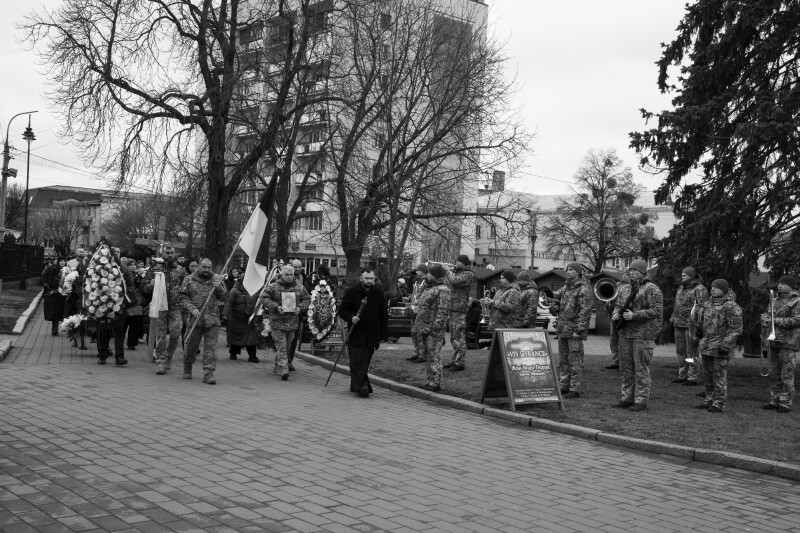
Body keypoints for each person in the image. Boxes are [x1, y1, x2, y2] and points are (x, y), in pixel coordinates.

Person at [612, 260, 664, 412]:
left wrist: (635, 315)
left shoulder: (652, 289)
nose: (632, 272)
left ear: (643, 272)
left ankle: (641, 400)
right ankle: (626, 397)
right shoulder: (625, 288)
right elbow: (618, 305)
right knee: (626, 368)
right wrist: (616, 313)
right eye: (631, 270)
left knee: (641, 369)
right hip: (625, 333)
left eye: (635, 270)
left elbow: (656, 311)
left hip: (642, 334)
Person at [338, 269, 389, 397]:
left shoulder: (378, 294)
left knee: (364, 361)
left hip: (371, 334)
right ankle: (363, 386)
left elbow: (383, 315)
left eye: (371, 278)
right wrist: (351, 318)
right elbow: (342, 310)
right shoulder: (351, 292)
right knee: (356, 361)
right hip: (356, 333)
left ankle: (361, 386)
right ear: (361, 278)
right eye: (367, 278)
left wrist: (383, 333)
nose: (369, 281)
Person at [695, 279, 742, 412]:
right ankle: (709, 399)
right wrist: (699, 331)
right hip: (706, 346)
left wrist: (726, 345)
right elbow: (702, 322)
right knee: (707, 375)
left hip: (721, 347)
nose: (713, 289)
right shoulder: (707, 304)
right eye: (712, 286)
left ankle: (718, 402)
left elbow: (735, 329)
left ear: (724, 289)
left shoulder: (731, 306)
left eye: (716, 287)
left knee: (719, 376)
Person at [179, 258, 228, 383]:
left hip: (212, 320)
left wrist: (219, 288)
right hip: (195, 319)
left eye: (209, 268)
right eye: (204, 267)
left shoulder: (216, 279)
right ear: (198, 267)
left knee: (210, 348)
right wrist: (192, 308)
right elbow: (182, 297)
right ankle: (187, 367)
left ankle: (208, 372)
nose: (207, 270)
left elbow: (225, 297)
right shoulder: (189, 279)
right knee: (191, 346)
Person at [551, 262, 593, 399]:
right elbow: (561, 306)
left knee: (575, 360)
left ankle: (574, 388)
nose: (567, 272)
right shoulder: (566, 288)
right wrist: (555, 308)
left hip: (574, 331)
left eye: (570, 270)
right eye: (567, 270)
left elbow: (585, 311)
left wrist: (579, 330)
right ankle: (564, 385)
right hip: (563, 329)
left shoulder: (584, 288)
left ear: (578, 272)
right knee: (563, 360)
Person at [262, 265, 310, 380]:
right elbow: (264, 298)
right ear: (281, 275)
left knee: (287, 346)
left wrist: (300, 307)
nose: (289, 277)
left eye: (291, 274)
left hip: (292, 323)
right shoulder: (273, 286)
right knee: (281, 345)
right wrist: (276, 306)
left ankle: (278, 365)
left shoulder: (300, 288)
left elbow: (307, 299)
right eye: (286, 274)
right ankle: (284, 369)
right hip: (277, 322)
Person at [762, 275, 800, 413]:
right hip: (774, 341)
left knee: (787, 374)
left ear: (791, 286)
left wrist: (775, 320)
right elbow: (768, 315)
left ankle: (785, 402)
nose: (780, 286)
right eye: (779, 283)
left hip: (788, 342)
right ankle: (775, 400)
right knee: (774, 373)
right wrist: (766, 319)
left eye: (784, 284)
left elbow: (797, 320)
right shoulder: (775, 300)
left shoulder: (797, 301)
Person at [410, 265, 450, 392]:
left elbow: (442, 310)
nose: (427, 275)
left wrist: (436, 326)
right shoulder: (430, 288)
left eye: (429, 273)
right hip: (425, 327)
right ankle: (430, 381)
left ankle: (435, 382)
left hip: (433, 329)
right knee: (428, 355)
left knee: (434, 355)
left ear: (434, 275)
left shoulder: (442, 289)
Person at [149, 246, 186, 373]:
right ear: (162, 253)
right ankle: (161, 361)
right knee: (160, 336)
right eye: (167, 252)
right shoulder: (155, 268)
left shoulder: (180, 270)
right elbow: (144, 286)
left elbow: (185, 287)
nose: (170, 255)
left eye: (172, 253)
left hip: (175, 307)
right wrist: (151, 285)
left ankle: (169, 355)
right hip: (160, 307)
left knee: (176, 333)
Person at [670, 266, 709, 385]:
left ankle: (693, 377)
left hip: (690, 325)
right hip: (678, 323)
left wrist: (698, 325)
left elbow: (702, 307)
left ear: (691, 276)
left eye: (684, 275)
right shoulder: (681, 288)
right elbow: (678, 304)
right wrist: (673, 316)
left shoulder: (699, 289)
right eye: (681, 275)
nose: (682, 277)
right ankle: (682, 374)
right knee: (680, 351)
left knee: (691, 351)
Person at [96, 247, 136, 366]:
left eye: (118, 252)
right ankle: (102, 355)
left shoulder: (123, 268)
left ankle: (119, 357)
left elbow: (130, 283)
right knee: (103, 331)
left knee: (119, 331)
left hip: (119, 304)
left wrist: (126, 298)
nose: (115, 254)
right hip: (103, 304)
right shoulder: (101, 267)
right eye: (113, 253)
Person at [443, 256, 475, 372]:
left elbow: (455, 281)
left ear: (465, 264)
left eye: (459, 262)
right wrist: (449, 271)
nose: (456, 263)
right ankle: (454, 360)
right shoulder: (456, 273)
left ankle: (460, 362)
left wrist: (447, 270)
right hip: (452, 307)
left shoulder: (468, 274)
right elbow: (448, 283)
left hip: (459, 308)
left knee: (459, 336)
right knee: (453, 336)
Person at [222, 277, 261, 363]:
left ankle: (252, 356)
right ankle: (233, 353)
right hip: (236, 319)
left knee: (251, 338)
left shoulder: (255, 290)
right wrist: (225, 315)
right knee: (236, 338)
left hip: (250, 320)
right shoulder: (234, 290)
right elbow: (229, 302)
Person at [286, 259, 312, 369]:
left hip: (297, 315)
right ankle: (282, 359)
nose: (297, 269)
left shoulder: (306, 280)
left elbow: (308, 297)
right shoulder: (284, 278)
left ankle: (289, 361)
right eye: (295, 266)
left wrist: (302, 308)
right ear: (291, 266)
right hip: (283, 314)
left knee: (293, 339)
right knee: (283, 339)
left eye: (299, 267)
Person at [604, 272, 631, 370]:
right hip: (614, 315)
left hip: (625, 317)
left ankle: (624, 363)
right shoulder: (617, 285)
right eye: (623, 275)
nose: (624, 277)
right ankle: (615, 361)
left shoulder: (633, 288)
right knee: (613, 340)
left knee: (623, 341)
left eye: (626, 275)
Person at [406, 264, 429, 363]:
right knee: (413, 332)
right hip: (414, 309)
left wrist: (417, 304)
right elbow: (415, 294)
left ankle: (423, 355)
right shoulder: (416, 281)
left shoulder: (426, 282)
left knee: (420, 334)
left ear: (423, 271)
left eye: (418, 270)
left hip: (421, 310)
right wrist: (410, 299)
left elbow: (425, 295)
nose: (416, 272)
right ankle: (417, 352)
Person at [43, 257, 67, 336]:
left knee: (61, 310)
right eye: (61, 261)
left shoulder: (67, 270)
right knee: (55, 311)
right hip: (54, 292)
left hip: (63, 293)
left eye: (64, 261)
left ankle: (64, 327)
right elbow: (46, 277)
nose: (63, 262)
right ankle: (55, 328)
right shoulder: (53, 269)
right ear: (58, 262)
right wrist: (50, 284)